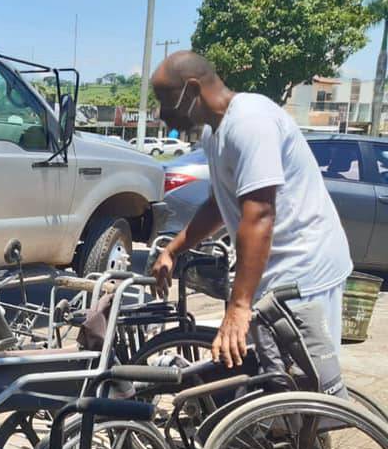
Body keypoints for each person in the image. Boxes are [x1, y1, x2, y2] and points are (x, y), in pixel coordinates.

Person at [149, 51, 352, 396]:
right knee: (273, 379)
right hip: (273, 270)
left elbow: (259, 214)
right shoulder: (214, 133)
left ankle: (320, 431)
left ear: (193, 89)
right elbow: (218, 205)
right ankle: (283, 428)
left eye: (167, 101)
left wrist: (239, 306)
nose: (163, 113)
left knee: (307, 387)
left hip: (304, 269)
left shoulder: (250, 122)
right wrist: (173, 249)